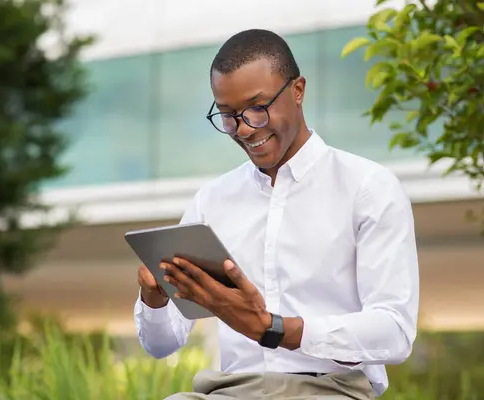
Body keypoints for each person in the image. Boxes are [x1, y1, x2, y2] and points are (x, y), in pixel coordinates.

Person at [133, 28, 419, 399]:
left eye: (258, 108)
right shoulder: (211, 201)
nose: (245, 128)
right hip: (230, 391)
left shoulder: (368, 188)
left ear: (297, 90)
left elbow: (394, 331)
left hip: (330, 389)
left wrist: (273, 328)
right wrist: (154, 298)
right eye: (228, 115)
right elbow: (161, 345)